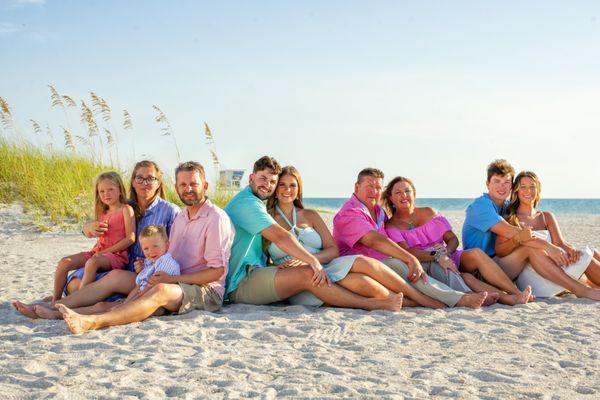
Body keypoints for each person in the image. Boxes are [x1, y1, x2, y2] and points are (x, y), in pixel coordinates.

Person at [57, 161, 235, 333]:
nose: (187, 189)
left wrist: (172, 279)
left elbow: (217, 272)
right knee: (117, 278)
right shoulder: (181, 217)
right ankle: (55, 308)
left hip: (204, 290)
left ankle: (94, 322)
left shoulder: (215, 218)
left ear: (205, 186)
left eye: (193, 184)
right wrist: (148, 265)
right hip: (169, 276)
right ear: (176, 187)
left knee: (159, 290)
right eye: (183, 184)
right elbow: (167, 254)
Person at [225, 156, 404, 312]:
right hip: (240, 280)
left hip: (259, 272)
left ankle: (409, 301)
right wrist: (312, 262)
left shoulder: (261, 207)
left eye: (272, 181)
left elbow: (260, 254)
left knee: (361, 275)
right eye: (264, 179)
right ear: (251, 178)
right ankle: (373, 304)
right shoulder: (251, 206)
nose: (268, 185)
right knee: (320, 277)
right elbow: (281, 237)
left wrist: (301, 262)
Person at [13, 160, 180, 319]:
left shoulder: (170, 210)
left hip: (145, 272)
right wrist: (87, 228)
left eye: (150, 178)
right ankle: (59, 302)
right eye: (140, 178)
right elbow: (99, 228)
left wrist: (149, 262)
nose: (145, 183)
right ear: (133, 182)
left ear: (159, 182)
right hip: (118, 265)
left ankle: (55, 308)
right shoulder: (121, 204)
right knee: (75, 284)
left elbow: (174, 248)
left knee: (109, 280)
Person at [265, 166, 443, 308]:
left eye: (293, 185)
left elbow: (332, 250)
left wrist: (310, 260)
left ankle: (418, 298)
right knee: (362, 284)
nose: (287, 190)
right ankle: (413, 303)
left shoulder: (310, 215)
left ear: (299, 189)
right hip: (294, 275)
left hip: (324, 265)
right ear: (275, 188)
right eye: (282, 185)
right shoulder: (265, 218)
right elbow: (261, 257)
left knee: (364, 270)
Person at [333, 168, 490, 309]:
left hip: (383, 260)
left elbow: (393, 237)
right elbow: (375, 241)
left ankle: (465, 293)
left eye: (378, 188)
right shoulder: (350, 213)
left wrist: (434, 254)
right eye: (369, 186)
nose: (374, 191)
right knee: (407, 266)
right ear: (356, 187)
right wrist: (409, 257)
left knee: (433, 264)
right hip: (361, 264)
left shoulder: (378, 211)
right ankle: (459, 299)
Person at [383, 176, 533, 305]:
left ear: (414, 193)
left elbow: (452, 239)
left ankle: (516, 292)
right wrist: (437, 256)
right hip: (426, 262)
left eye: (407, 191)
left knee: (475, 253)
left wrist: (446, 251)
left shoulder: (429, 212)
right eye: (398, 192)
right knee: (467, 278)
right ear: (391, 198)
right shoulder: (391, 226)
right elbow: (406, 252)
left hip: (450, 255)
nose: (404, 195)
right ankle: (507, 299)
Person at [462, 160, 600, 300]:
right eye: (497, 181)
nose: (501, 187)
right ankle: (580, 290)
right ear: (487, 184)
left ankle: (586, 285)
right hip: (481, 268)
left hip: (503, 264)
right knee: (530, 248)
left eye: (506, 182)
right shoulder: (481, 207)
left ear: (512, 187)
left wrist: (567, 248)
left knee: (590, 252)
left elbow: (557, 242)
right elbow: (513, 234)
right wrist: (549, 247)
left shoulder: (505, 206)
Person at [497, 171, 600, 297]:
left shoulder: (546, 216)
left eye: (532, 186)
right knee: (585, 256)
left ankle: (589, 286)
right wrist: (518, 239)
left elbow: (560, 244)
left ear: (538, 189)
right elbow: (500, 251)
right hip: (532, 280)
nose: (528, 191)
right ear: (517, 191)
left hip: (554, 271)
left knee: (588, 252)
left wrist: (571, 250)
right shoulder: (511, 218)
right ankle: (582, 290)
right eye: (523, 187)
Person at [51, 171, 135, 301]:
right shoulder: (103, 212)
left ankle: (77, 301)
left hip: (116, 255)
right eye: (102, 191)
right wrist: (92, 230)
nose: (106, 194)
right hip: (97, 252)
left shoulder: (126, 209)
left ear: (120, 190)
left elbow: (130, 238)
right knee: (64, 262)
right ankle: (55, 300)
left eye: (110, 190)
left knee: (92, 263)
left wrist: (105, 252)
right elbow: (94, 235)